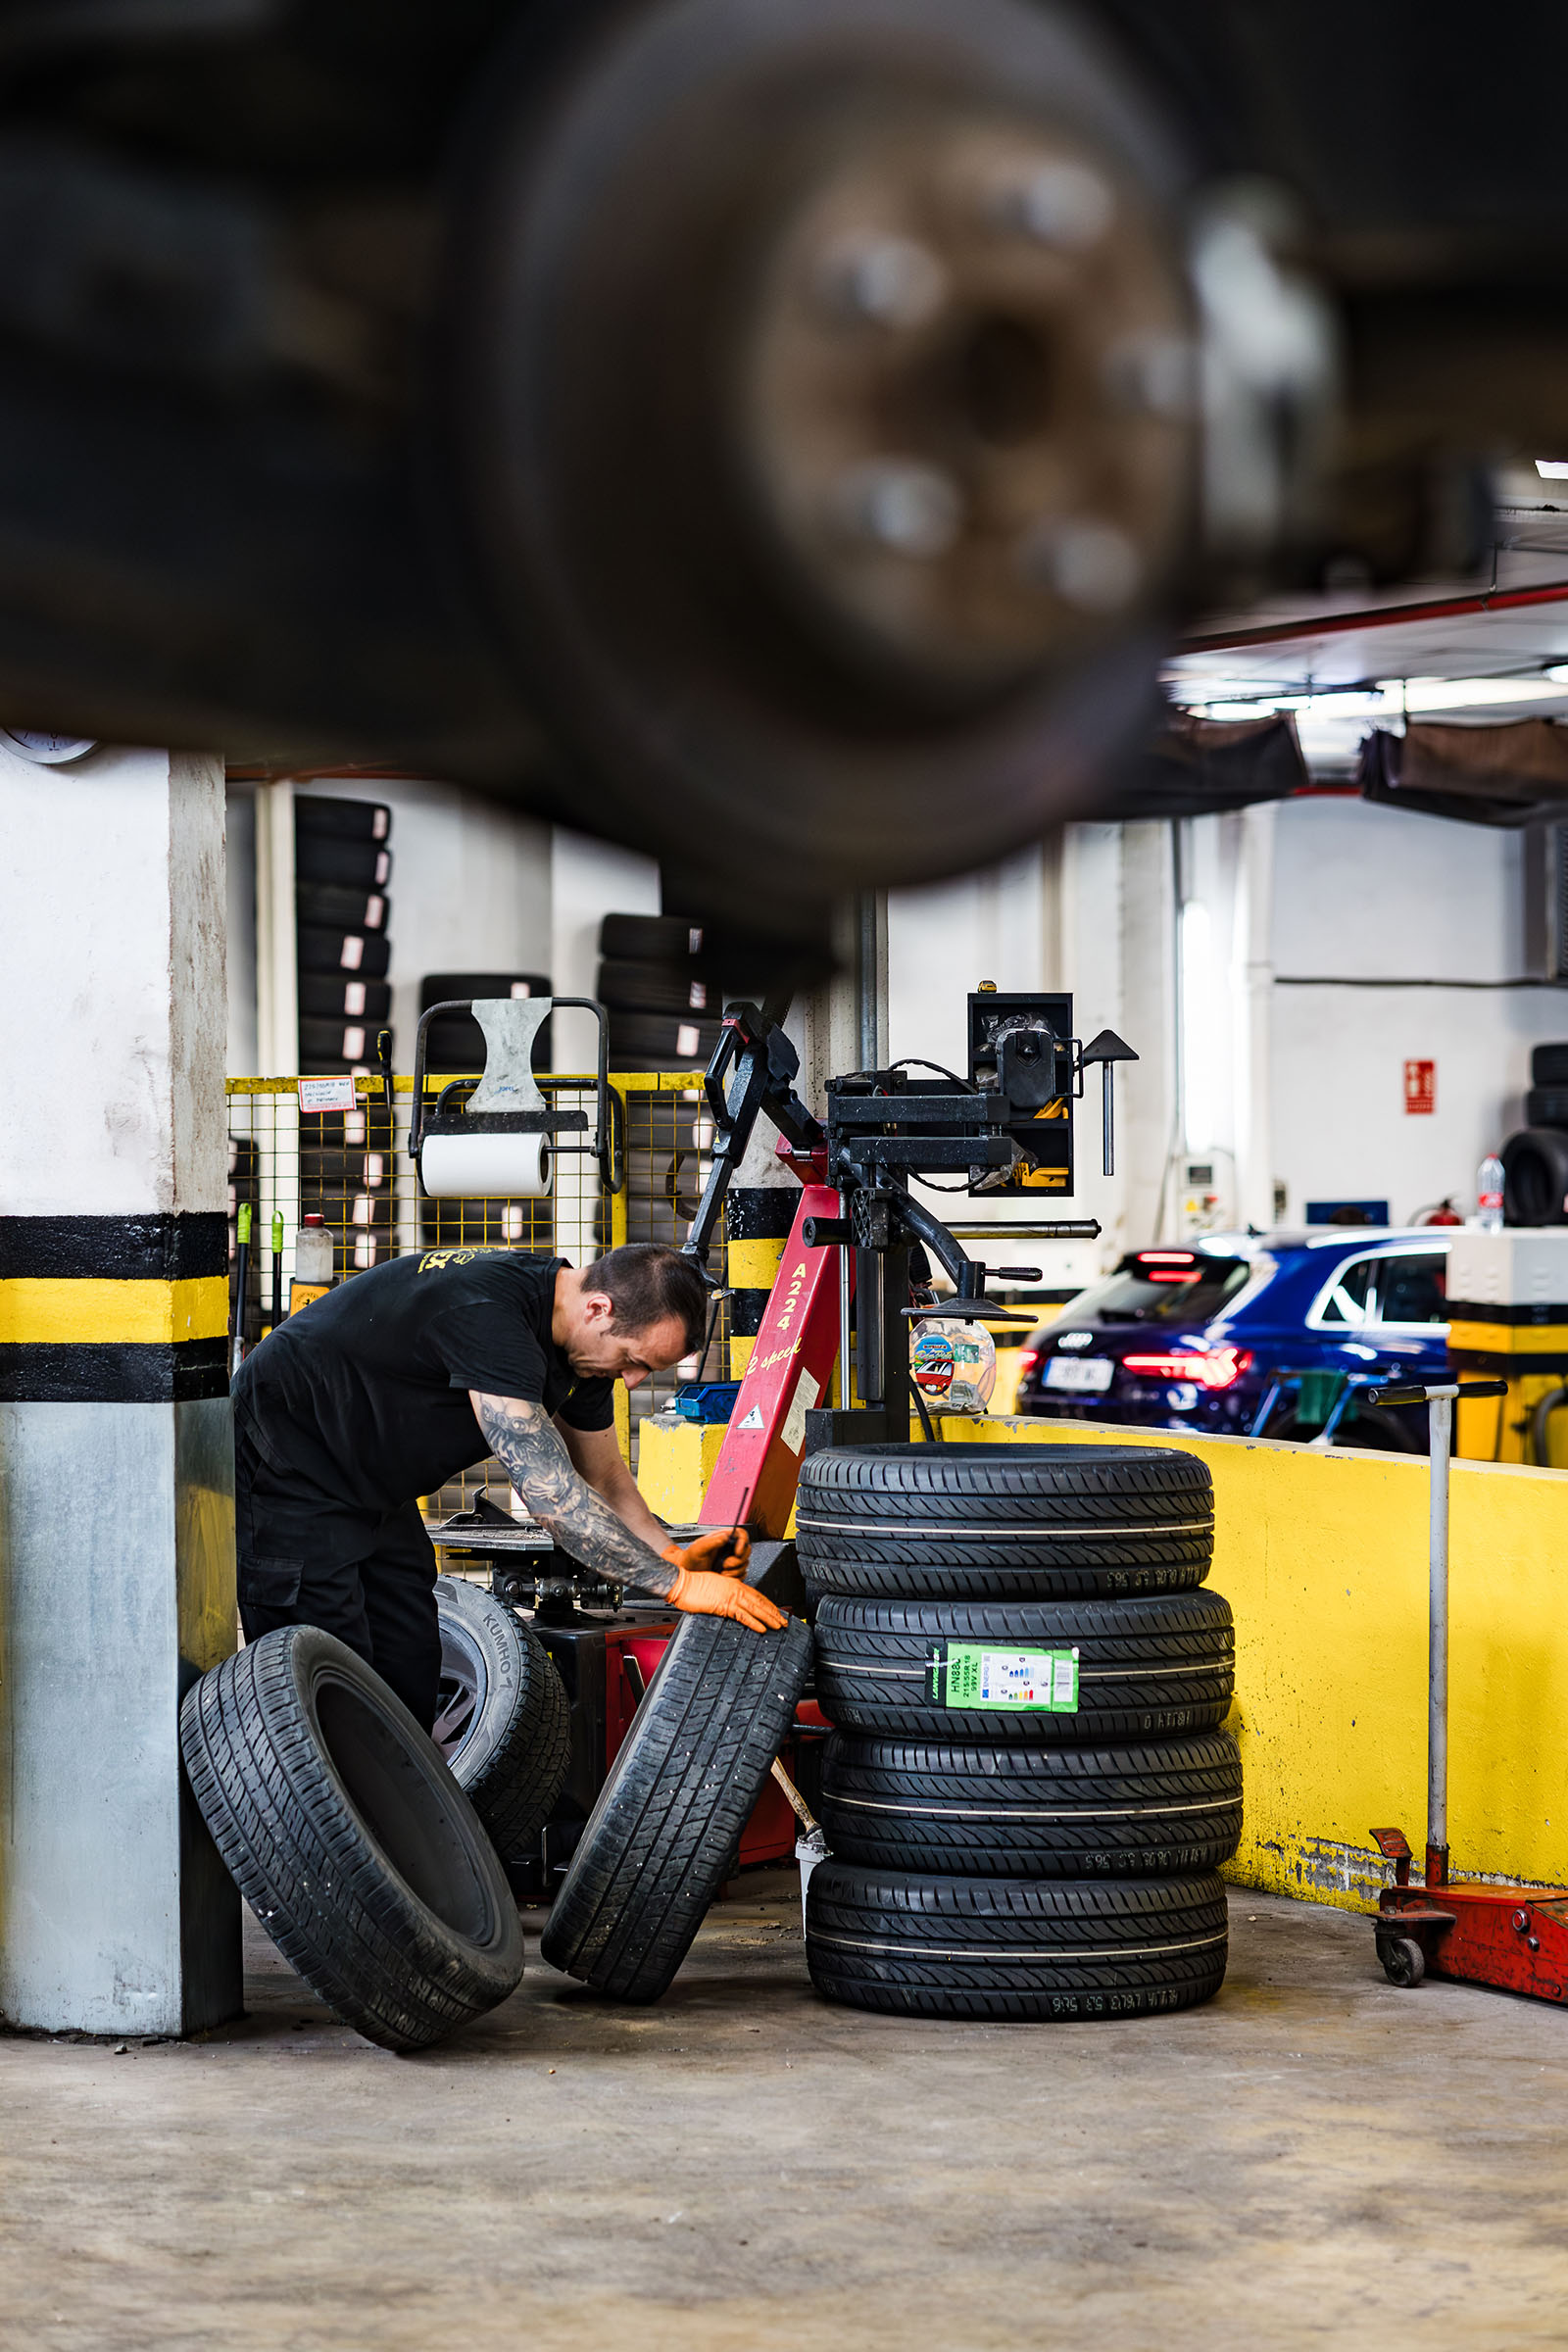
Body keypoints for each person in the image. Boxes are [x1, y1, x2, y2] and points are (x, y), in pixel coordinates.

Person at [230, 1239, 787, 1730]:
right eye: (633, 1360)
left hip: (372, 1485)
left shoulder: (584, 1352)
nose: (634, 1379)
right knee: (329, 1681)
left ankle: (399, 1821)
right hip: (291, 1465)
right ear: (599, 1308)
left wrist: (670, 1554)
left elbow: (606, 1477)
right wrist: (677, 1587)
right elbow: (552, 1497)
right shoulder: (492, 1315)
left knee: (409, 1661)